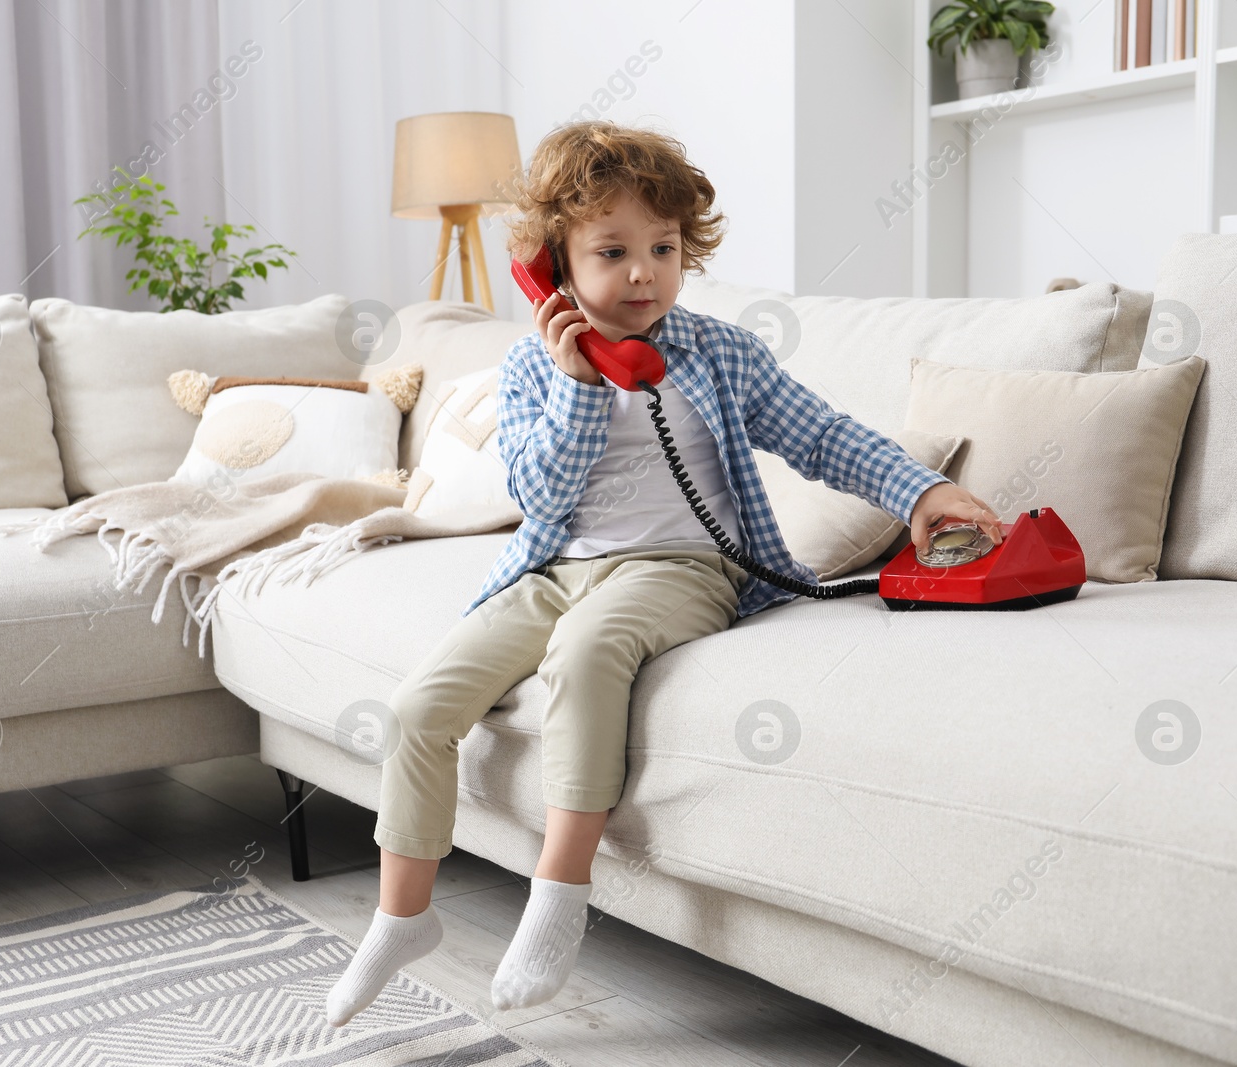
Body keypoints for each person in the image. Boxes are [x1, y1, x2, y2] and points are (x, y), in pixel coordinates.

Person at [324, 119, 1002, 1027]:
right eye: (612, 251)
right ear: (553, 264)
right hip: (557, 565)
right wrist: (579, 381)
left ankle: (559, 892)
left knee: (587, 650)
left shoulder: (719, 353)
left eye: (663, 248)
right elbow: (539, 491)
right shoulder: (530, 366)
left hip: (685, 565)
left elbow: (820, 433)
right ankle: (400, 917)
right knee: (418, 707)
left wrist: (918, 492)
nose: (643, 273)